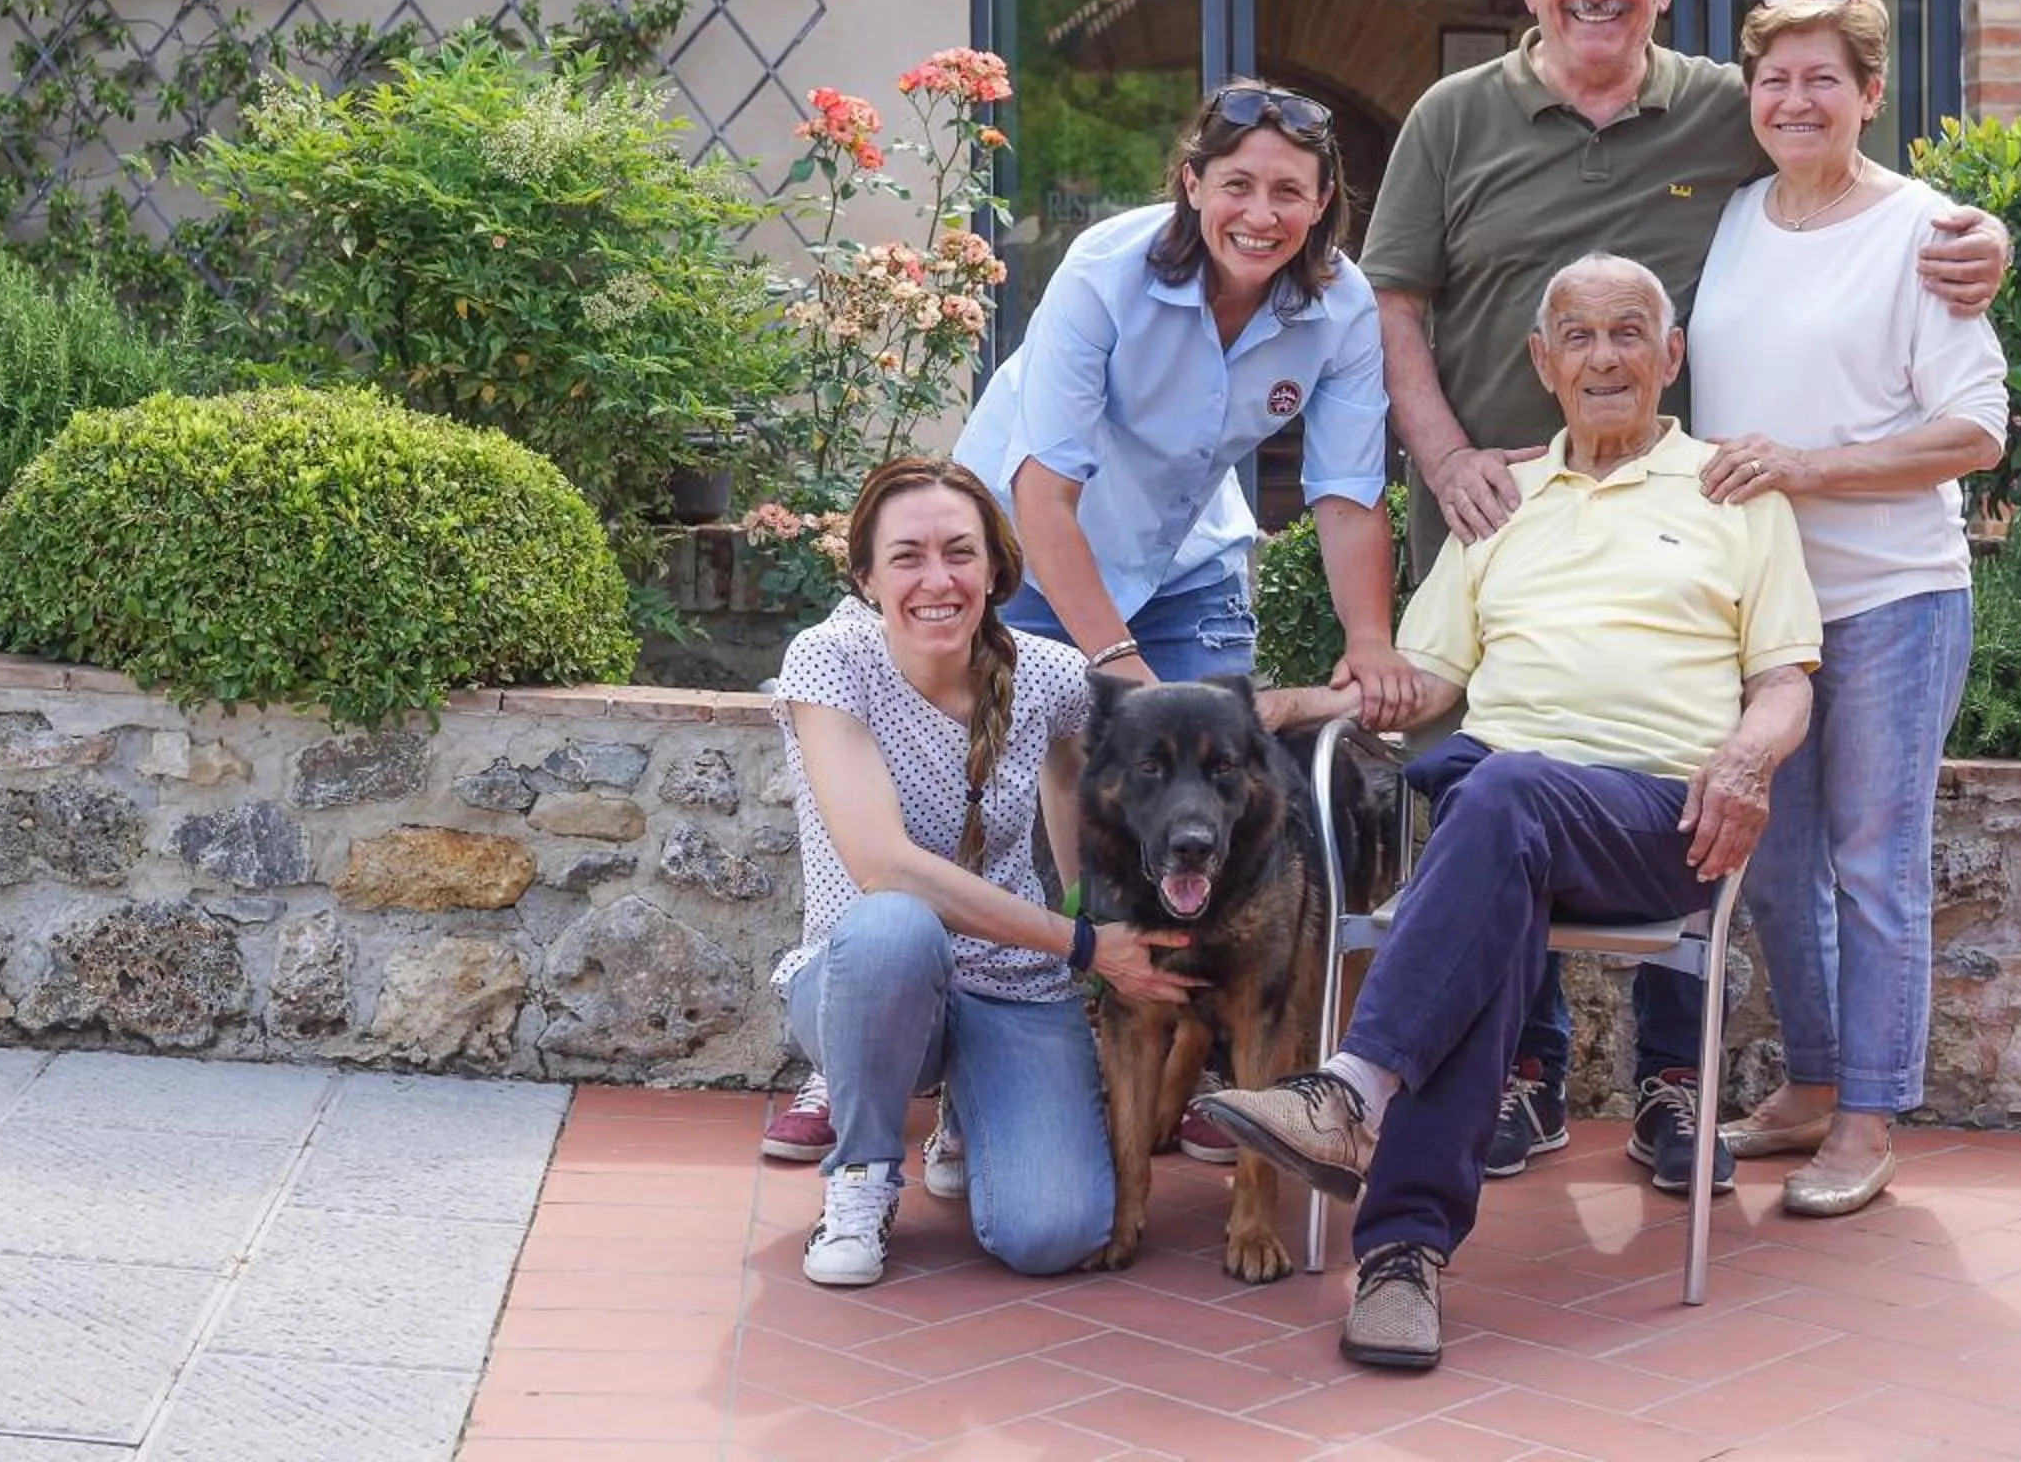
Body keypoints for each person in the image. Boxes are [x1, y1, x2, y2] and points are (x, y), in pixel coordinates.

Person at [1358, 0, 2008, 1192]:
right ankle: (1524, 1080)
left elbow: (1863, 186)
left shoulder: (1727, 109)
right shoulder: (1459, 117)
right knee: (1507, 798)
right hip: (1505, 534)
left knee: (1713, 805)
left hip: (1713, 561)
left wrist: (1981, 234)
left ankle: (1697, 1090)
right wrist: (1438, 462)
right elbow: (1394, 306)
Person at [1200, 254, 1820, 1371]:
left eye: (1630, 331)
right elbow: (1422, 681)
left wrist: (1749, 755)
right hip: (1507, 819)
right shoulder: (1502, 499)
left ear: (1671, 355)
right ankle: (1399, 1260)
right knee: (1492, 828)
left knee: (1496, 789)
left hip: (1656, 818)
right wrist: (1290, 702)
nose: (1605, 357)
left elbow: (1786, 677)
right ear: (1543, 363)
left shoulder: (1732, 488)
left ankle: (1351, 1091)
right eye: (1577, 337)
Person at [955, 79, 1424, 1162]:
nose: (1261, 212)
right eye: (1239, 184)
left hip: (1186, 546)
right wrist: (1111, 664)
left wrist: (1369, 640)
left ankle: (1197, 1073)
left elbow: (1348, 492)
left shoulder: (1341, 305)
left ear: (1324, 203)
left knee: (1218, 772)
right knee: (1047, 776)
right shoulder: (1108, 270)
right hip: (1030, 541)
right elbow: (1045, 490)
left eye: (1290, 192)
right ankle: (1019, 1045)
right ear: (1192, 184)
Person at [1691, 0, 2007, 1217]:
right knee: (1770, 856)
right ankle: (1813, 1080)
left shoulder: (1924, 229)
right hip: (1761, 610)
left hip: (1890, 599)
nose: (1795, 98)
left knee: (1875, 865)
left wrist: (1807, 466)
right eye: (1774, 78)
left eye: (1824, 77)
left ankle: (1869, 1116)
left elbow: (1977, 429)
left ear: (1872, 94)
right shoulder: (1733, 216)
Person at [768, 457, 1189, 1289]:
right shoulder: (829, 660)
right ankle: (861, 1178)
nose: (938, 579)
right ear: (864, 577)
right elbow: (884, 866)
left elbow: (1086, 781)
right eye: (907, 557)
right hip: (864, 981)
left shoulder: (1049, 674)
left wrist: (1096, 914)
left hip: (1012, 982)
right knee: (895, 924)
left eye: (960, 553)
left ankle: (968, 1113)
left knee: (1053, 1234)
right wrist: (1083, 944)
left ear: (995, 568)